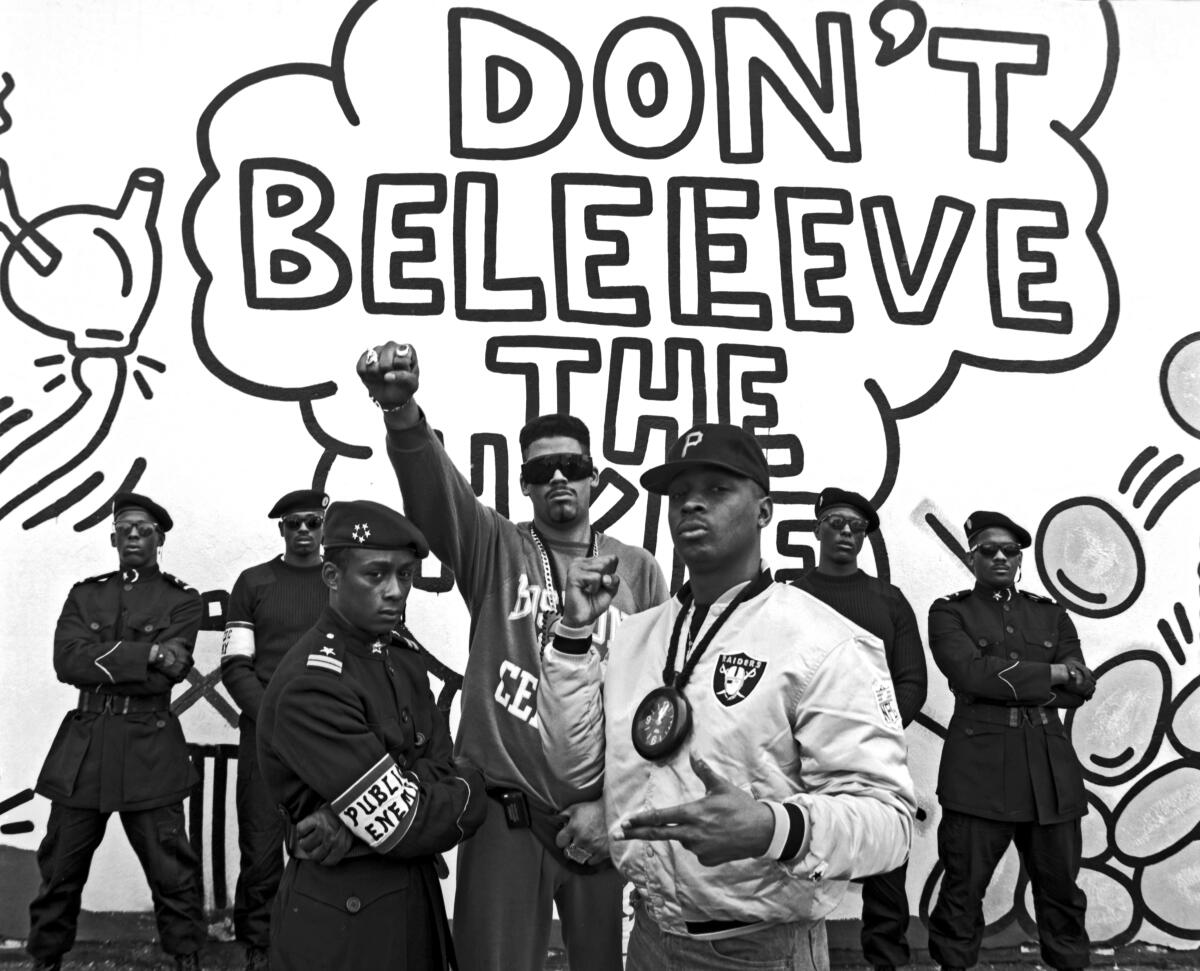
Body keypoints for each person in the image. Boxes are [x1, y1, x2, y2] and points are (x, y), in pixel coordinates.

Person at [538, 424, 916, 970]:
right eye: (679, 492)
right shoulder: (636, 636)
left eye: (717, 489)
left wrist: (773, 827)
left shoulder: (823, 641)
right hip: (649, 938)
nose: (692, 502)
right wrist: (572, 634)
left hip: (763, 949)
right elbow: (572, 767)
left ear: (764, 511)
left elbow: (891, 824)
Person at [356, 341, 669, 971]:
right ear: (524, 484)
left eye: (571, 465)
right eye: (541, 470)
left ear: (593, 477)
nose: (557, 477)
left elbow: (658, 701)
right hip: (506, 811)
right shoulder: (496, 548)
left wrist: (616, 805)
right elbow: (435, 495)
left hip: (602, 817)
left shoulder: (637, 570)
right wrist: (403, 414)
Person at [256, 499, 486, 971]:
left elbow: (432, 770)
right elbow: (406, 822)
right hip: (345, 917)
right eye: (376, 575)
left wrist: (355, 821)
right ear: (332, 578)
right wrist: (472, 789)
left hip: (411, 899)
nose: (396, 590)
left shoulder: (400, 656)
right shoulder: (314, 682)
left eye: (405, 575)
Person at [28, 492, 206, 971]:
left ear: (159, 539)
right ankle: (46, 959)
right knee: (60, 870)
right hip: (84, 751)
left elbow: (170, 671)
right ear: (112, 537)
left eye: (143, 529)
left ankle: (186, 956)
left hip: (149, 747)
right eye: (124, 527)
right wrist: (145, 653)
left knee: (173, 872)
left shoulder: (183, 600)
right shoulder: (85, 594)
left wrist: (111, 659)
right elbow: (66, 661)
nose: (133, 535)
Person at [926, 511, 1095, 971]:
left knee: (1062, 895)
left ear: (1019, 559)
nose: (999, 557)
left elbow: (1082, 687)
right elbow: (969, 673)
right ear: (971, 557)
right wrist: (1054, 673)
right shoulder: (949, 611)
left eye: (1009, 551)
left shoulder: (1050, 613)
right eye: (988, 550)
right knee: (962, 892)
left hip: (1049, 771)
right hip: (979, 772)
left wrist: (1006, 679)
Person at [793, 487, 927, 971]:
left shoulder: (888, 601)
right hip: (802, 758)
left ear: (866, 536)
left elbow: (913, 680)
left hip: (876, 760)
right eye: (835, 522)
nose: (846, 532)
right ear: (818, 529)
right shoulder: (792, 597)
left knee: (886, 866)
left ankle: (885, 962)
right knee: (800, 858)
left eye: (856, 526)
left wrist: (879, 730)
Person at [221, 488, 330, 971]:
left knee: (327, 841)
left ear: (323, 525)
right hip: (263, 739)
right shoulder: (253, 582)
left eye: (311, 521)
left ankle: (319, 938)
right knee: (261, 846)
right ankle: (259, 945)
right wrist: (272, 720)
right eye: (293, 524)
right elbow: (235, 665)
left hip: (330, 735)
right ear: (281, 530)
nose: (303, 530)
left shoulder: (343, 581)